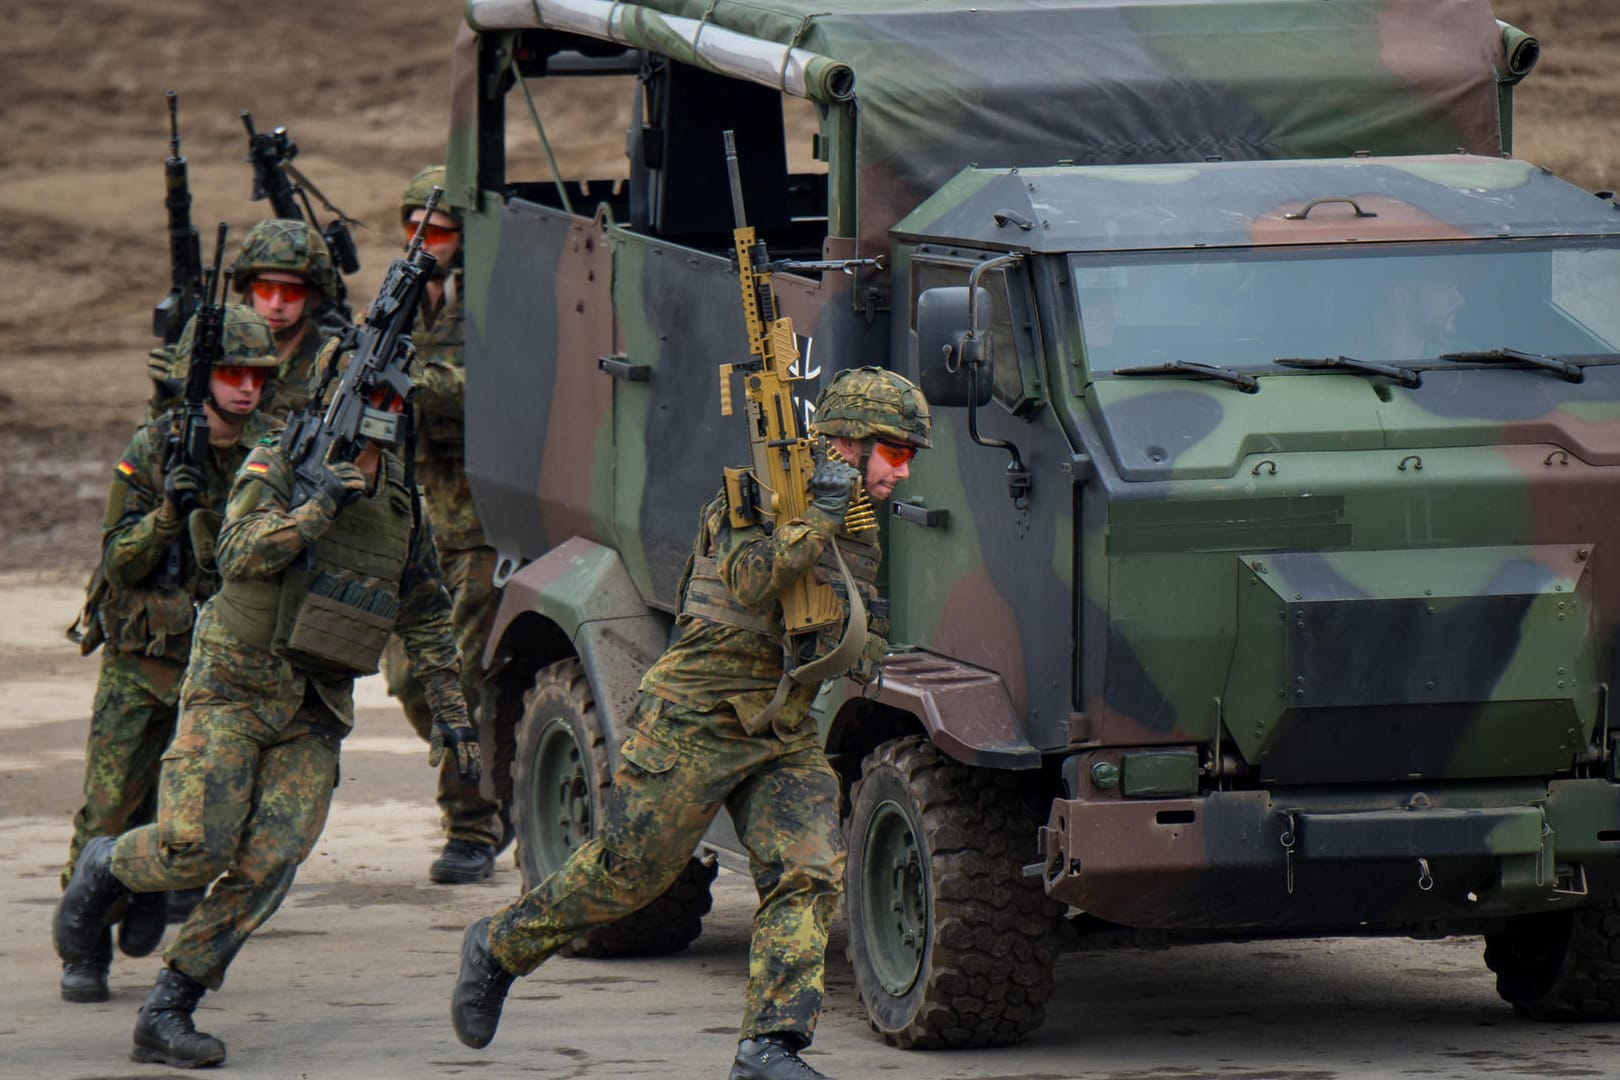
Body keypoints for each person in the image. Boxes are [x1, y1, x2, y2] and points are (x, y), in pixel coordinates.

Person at [450, 367, 933, 1080]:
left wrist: (866, 648)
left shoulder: (857, 532)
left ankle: (768, 1047)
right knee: (628, 877)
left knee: (807, 872)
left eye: (911, 456)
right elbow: (748, 579)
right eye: (893, 452)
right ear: (844, 445)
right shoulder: (754, 498)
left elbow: (846, 627)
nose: (903, 471)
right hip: (695, 721)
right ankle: (498, 945)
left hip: (780, 730)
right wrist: (816, 519)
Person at [53, 347, 482, 1070]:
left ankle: (170, 1005)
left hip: (314, 703)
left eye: (397, 402)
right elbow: (239, 551)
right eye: (375, 397)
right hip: (234, 684)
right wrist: (319, 508)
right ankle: (105, 866)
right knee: (196, 843)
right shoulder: (280, 461)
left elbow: (428, 615)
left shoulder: (403, 503)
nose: (386, 414)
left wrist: (453, 713)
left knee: (272, 860)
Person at [58, 307, 282, 1004]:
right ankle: (85, 944)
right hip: (139, 659)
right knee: (108, 807)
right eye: (229, 373)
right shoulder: (152, 448)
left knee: (194, 816)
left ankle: (149, 891)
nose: (245, 389)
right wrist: (164, 517)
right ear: (199, 379)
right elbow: (118, 564)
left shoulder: (271, 451)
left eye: (256, 375)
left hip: (216, 666)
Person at [379, 164, 507, 884]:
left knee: (458, 675)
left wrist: (415, 383)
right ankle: (494, 782)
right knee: (406, 677)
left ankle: (474, 824)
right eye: (416, 228)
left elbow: (496, 390)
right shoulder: (401, 301)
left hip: (481, 523)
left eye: (444, 231)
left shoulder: (491, 305)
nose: (427, 242)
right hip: (413, 521)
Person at [147, 219, 338, 420]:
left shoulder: (330, 365)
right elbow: (157, 447)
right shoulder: (215, 347)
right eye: (265, 290)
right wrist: (168, 403)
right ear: (248, 290)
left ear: (313, 297)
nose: (276, 304)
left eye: (291, 293)